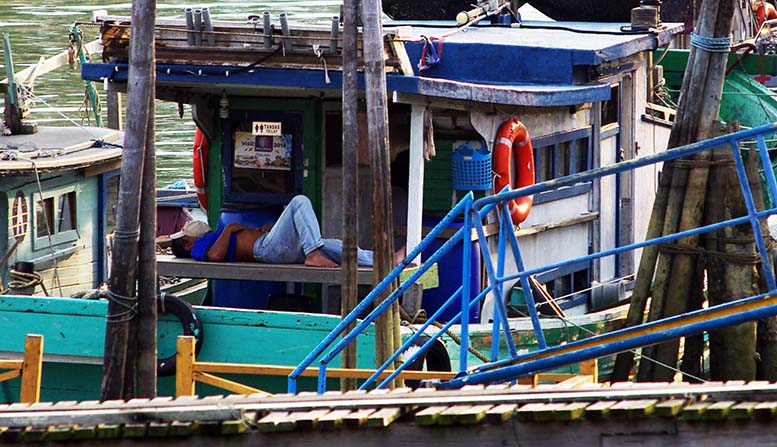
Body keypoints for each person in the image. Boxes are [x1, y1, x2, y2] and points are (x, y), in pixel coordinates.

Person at [170, 195, 404, 267]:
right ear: (189, 244)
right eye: (186, 234)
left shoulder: (210, 237)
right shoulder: (201, 246)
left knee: (336, 246)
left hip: (270, 245)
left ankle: (385, 261)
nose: (187, 229)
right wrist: (229, 230)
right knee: (299, 202)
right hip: (265, 251)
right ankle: (313, 254)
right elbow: (215, 257)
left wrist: (262, 232)